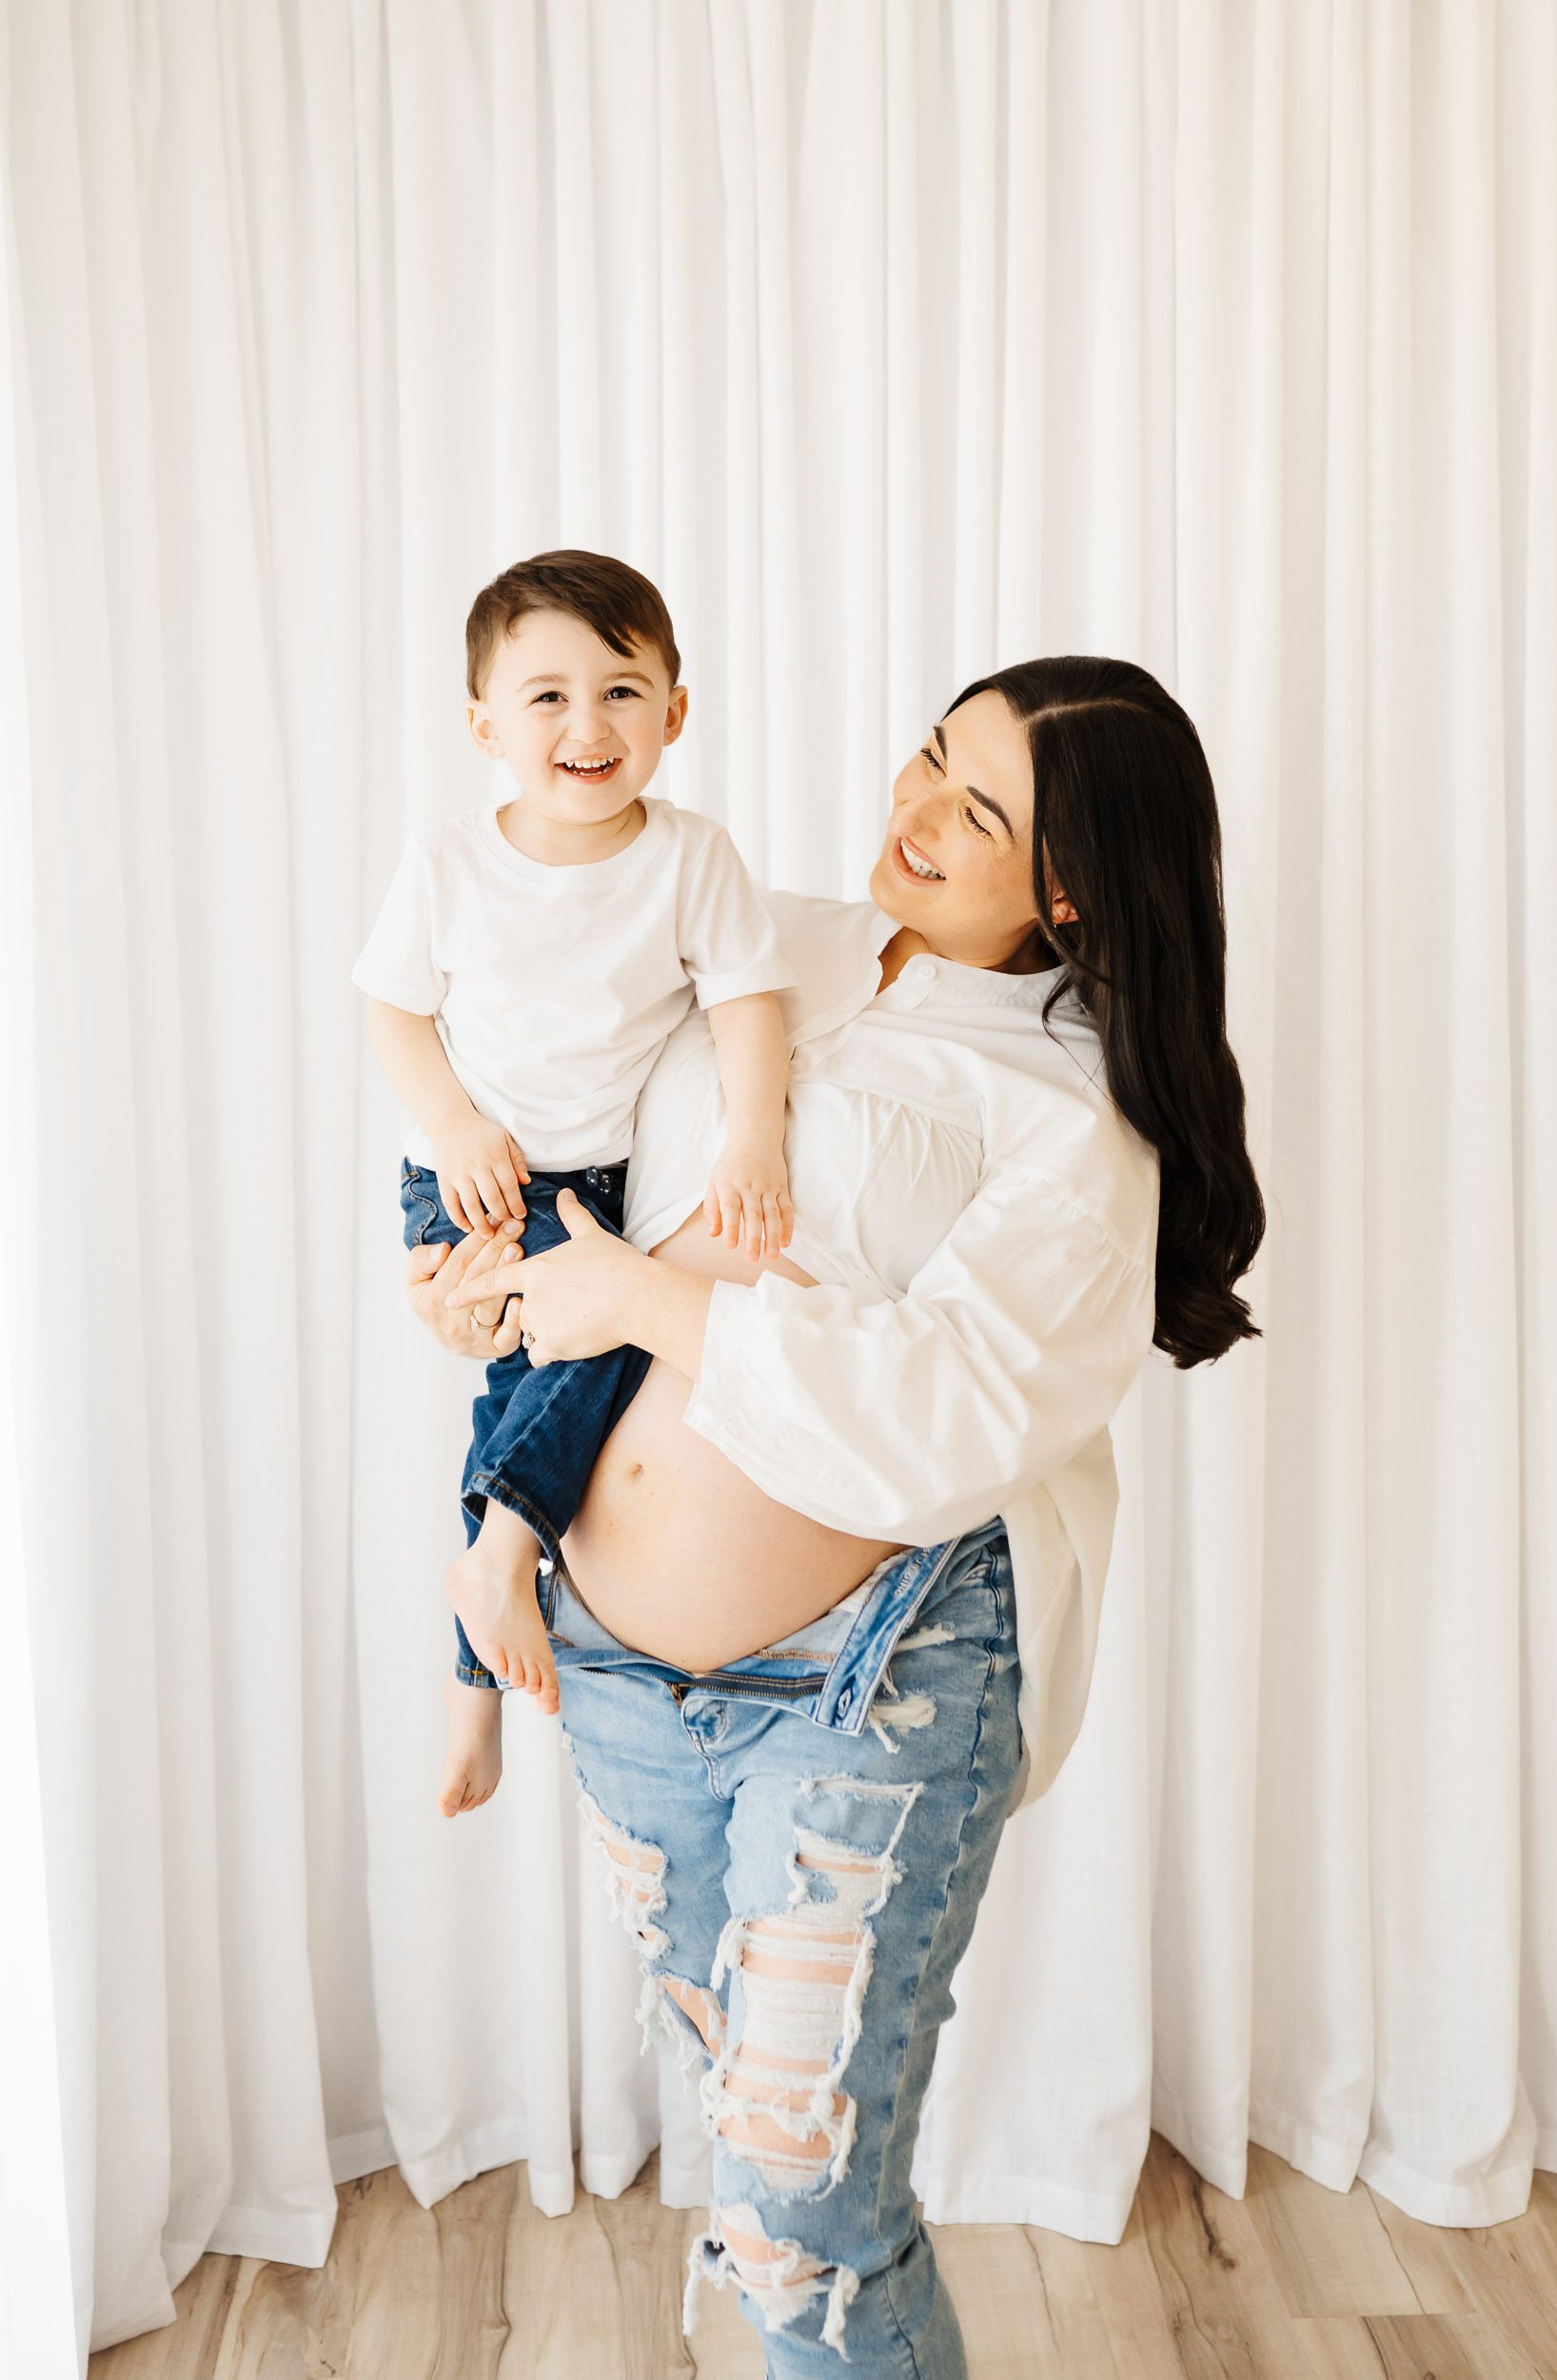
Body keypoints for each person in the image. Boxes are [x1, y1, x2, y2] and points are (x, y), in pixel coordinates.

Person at [412, 658, 1265, 2377]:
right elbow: (581, 1172)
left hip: (875, 1680)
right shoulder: (754, 943)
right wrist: (486, 1293)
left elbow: (952, 1412)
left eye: (980, 811)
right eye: (929, 761)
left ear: (1075, 885)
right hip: (625, 1680)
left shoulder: (1079, 1117)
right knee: (757, 2164)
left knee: (809, 2219)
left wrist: (650, 1308)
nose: (915, 815)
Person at [353, 551, 797, 1810]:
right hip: (476, 1177)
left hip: (598, 1187)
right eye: (545, 697)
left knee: (538, 1405)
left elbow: (751, 1004)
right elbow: (393, 1015)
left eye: (619, 690)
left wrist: (752, 1139)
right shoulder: (448, 860)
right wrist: (453, 1126)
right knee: (572, 1370)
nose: (585, 725)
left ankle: (472, 1675)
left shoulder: (691, 856)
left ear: (675, 712)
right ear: (485, 722)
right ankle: (495, 1574)